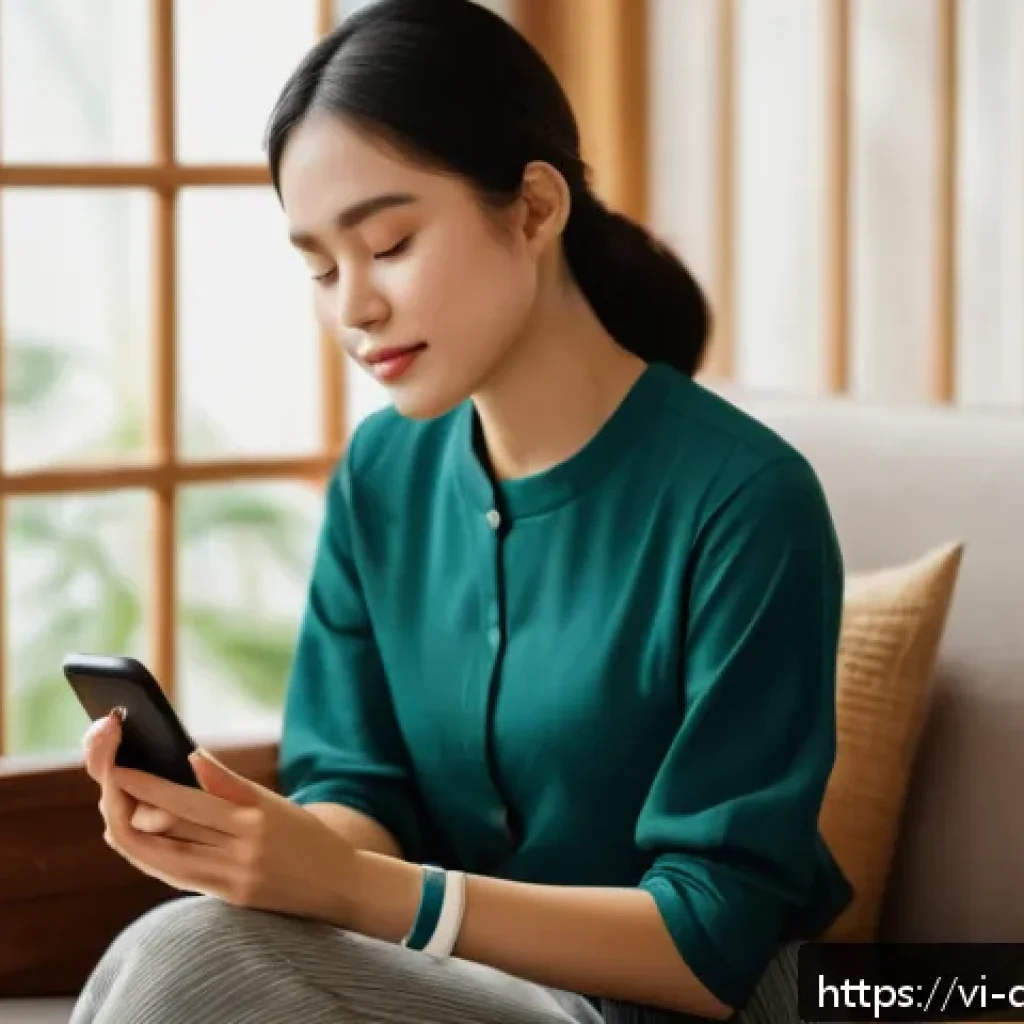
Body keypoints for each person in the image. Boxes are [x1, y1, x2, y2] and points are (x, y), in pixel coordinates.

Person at [71, 1, 853, 1021]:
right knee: (196, 944)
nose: (351, 306)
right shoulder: (384, 472)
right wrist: (269, 848)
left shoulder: (744, 500)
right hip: (462, 986)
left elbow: (712, 935)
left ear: (534, 207)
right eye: (317, 265)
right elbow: (362, 786)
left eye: (387, 243)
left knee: (186, 965)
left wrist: (361, 891)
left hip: (687, 1001)